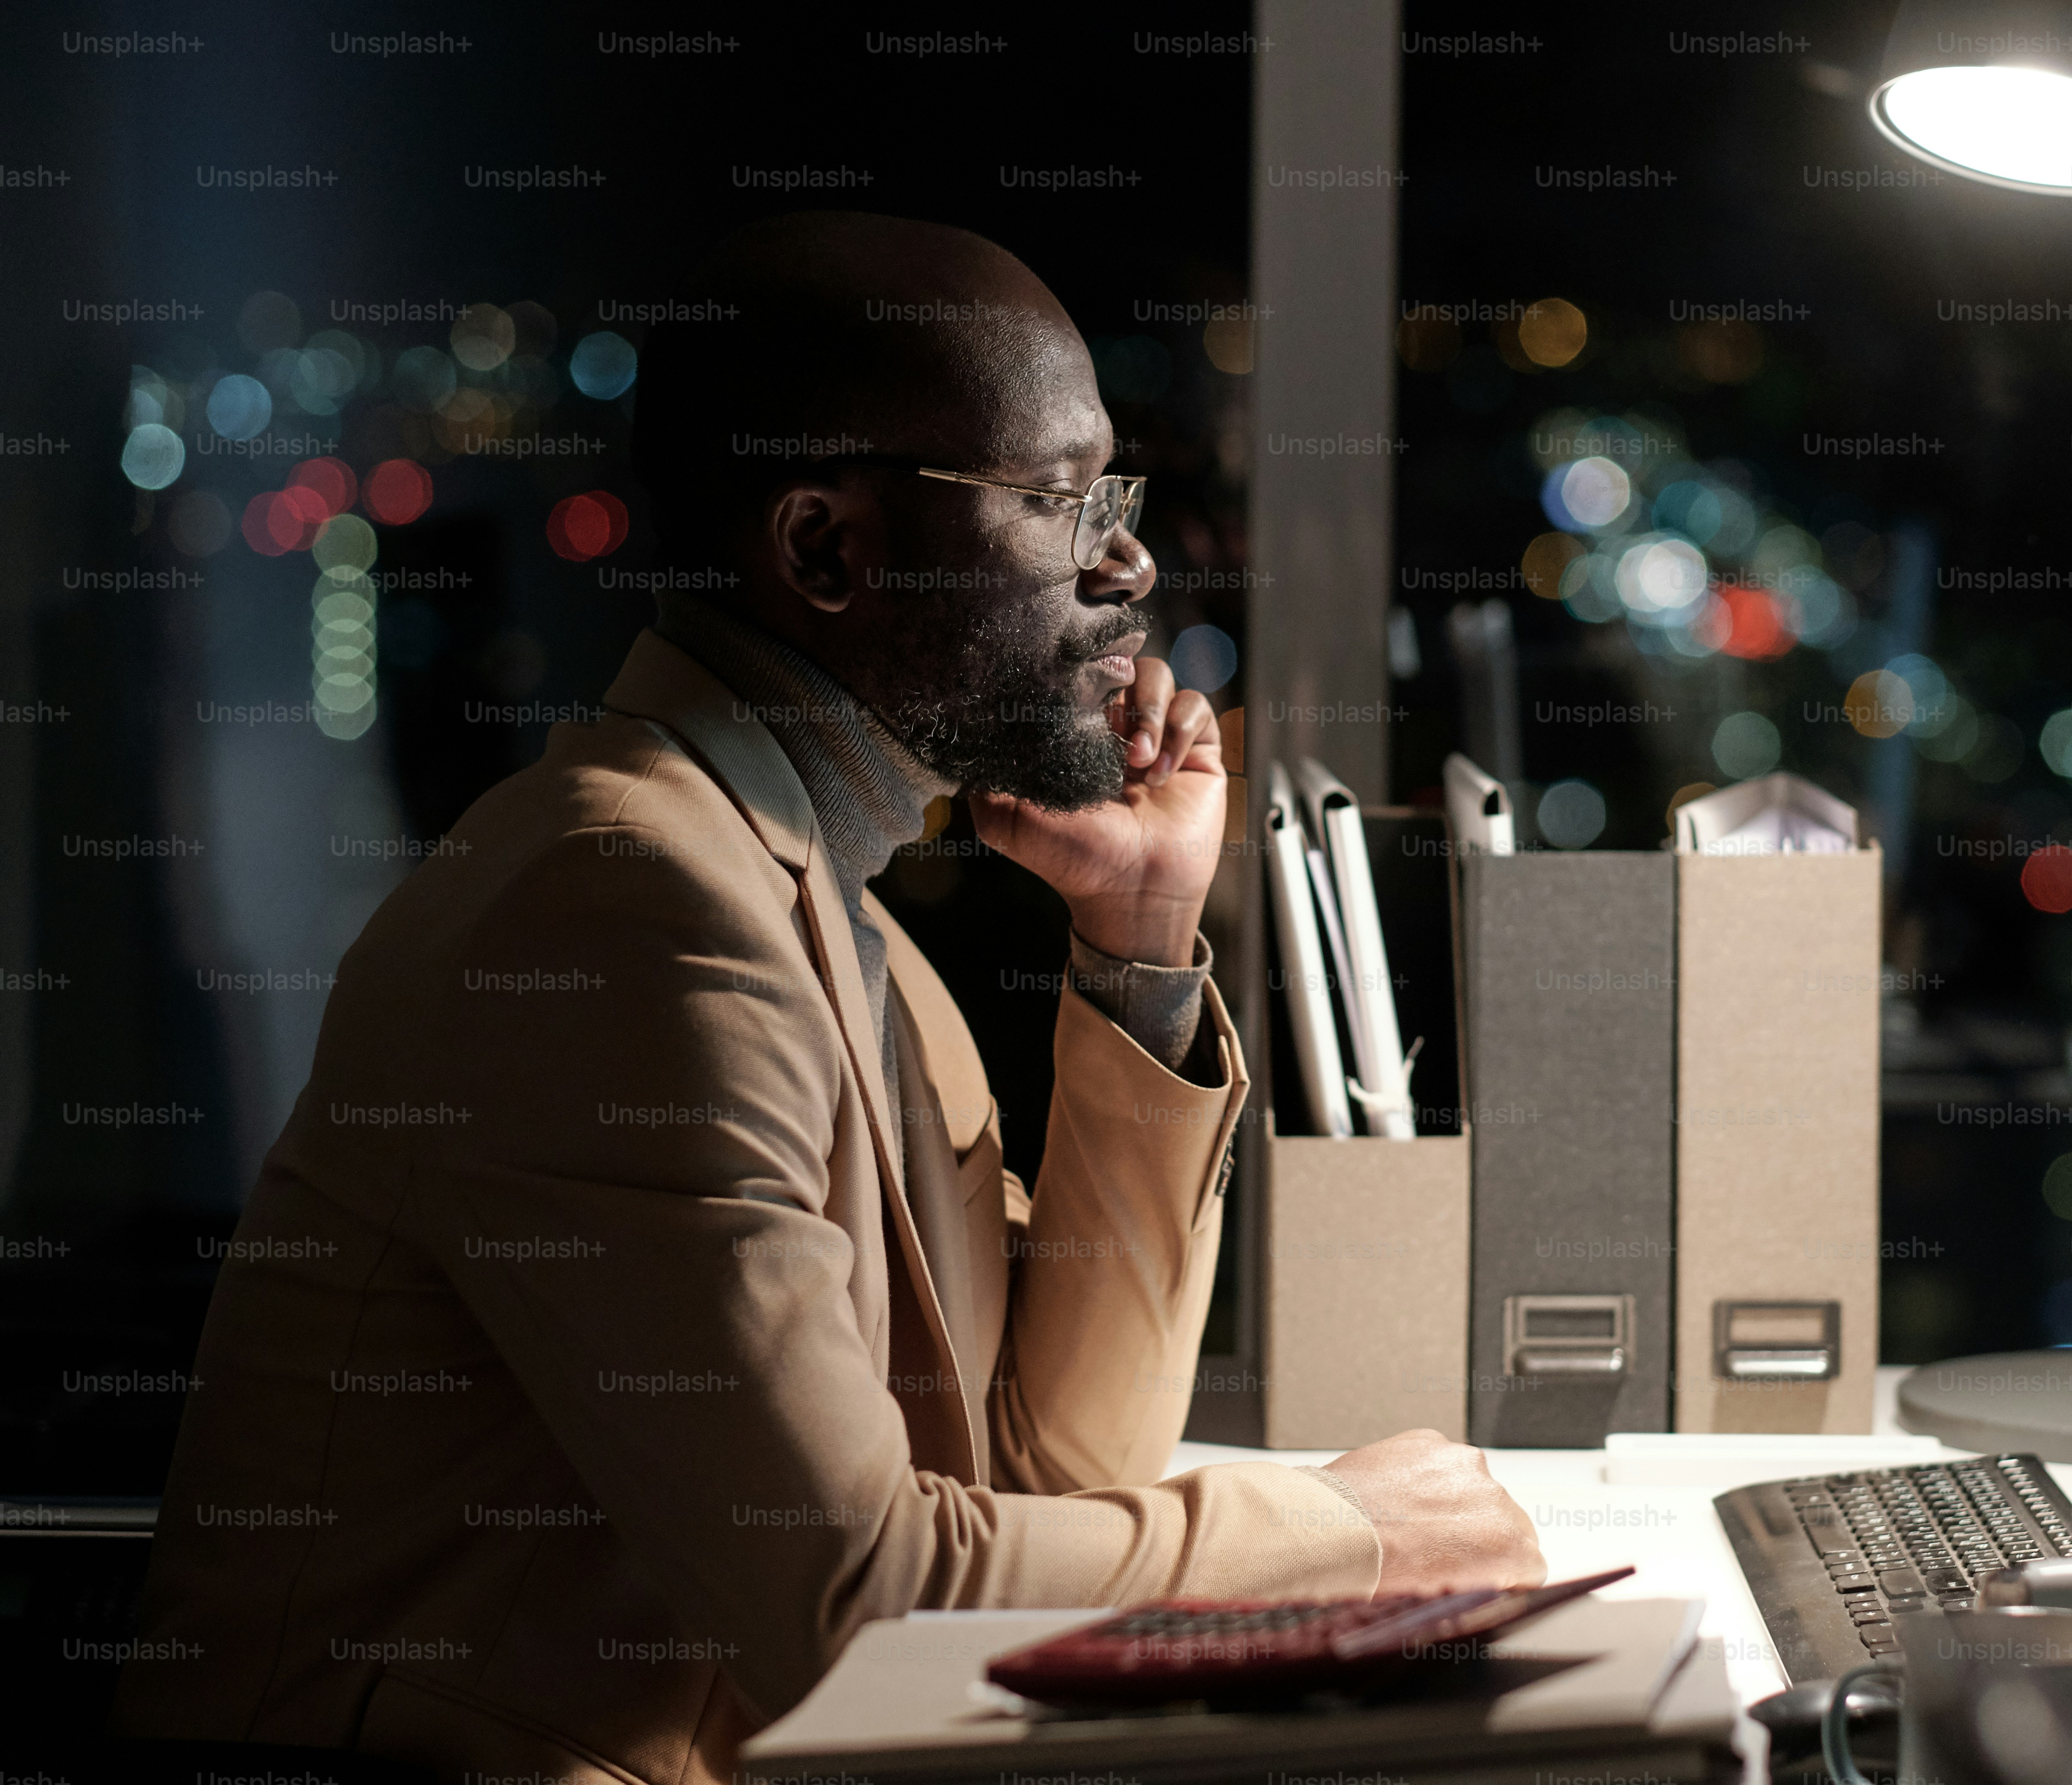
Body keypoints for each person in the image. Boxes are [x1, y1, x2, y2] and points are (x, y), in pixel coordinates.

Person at [115, 212, 1542, 1784]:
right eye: (1061, 503)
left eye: (1110, 499)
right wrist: (1347, 1536)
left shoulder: (826, 914)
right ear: (823, 549)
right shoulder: (625, 915)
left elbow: (1052, 1464)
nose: (1129, 561)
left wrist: (1138, 942)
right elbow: (864, 1603)